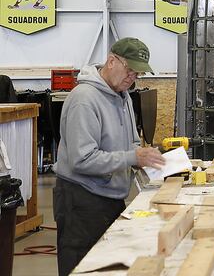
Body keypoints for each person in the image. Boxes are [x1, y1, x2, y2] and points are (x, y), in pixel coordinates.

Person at [53, 38, 165, 276]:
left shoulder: (122, 96)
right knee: (81, 267)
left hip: (109, 197)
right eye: (129, 70)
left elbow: (132, 143)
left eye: (137, 74)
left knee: (107, 268)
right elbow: (82, 160)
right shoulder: (84, 99)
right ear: (112, 61)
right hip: (81, 200)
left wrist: (148, 161)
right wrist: (132, 157)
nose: (132, 78)